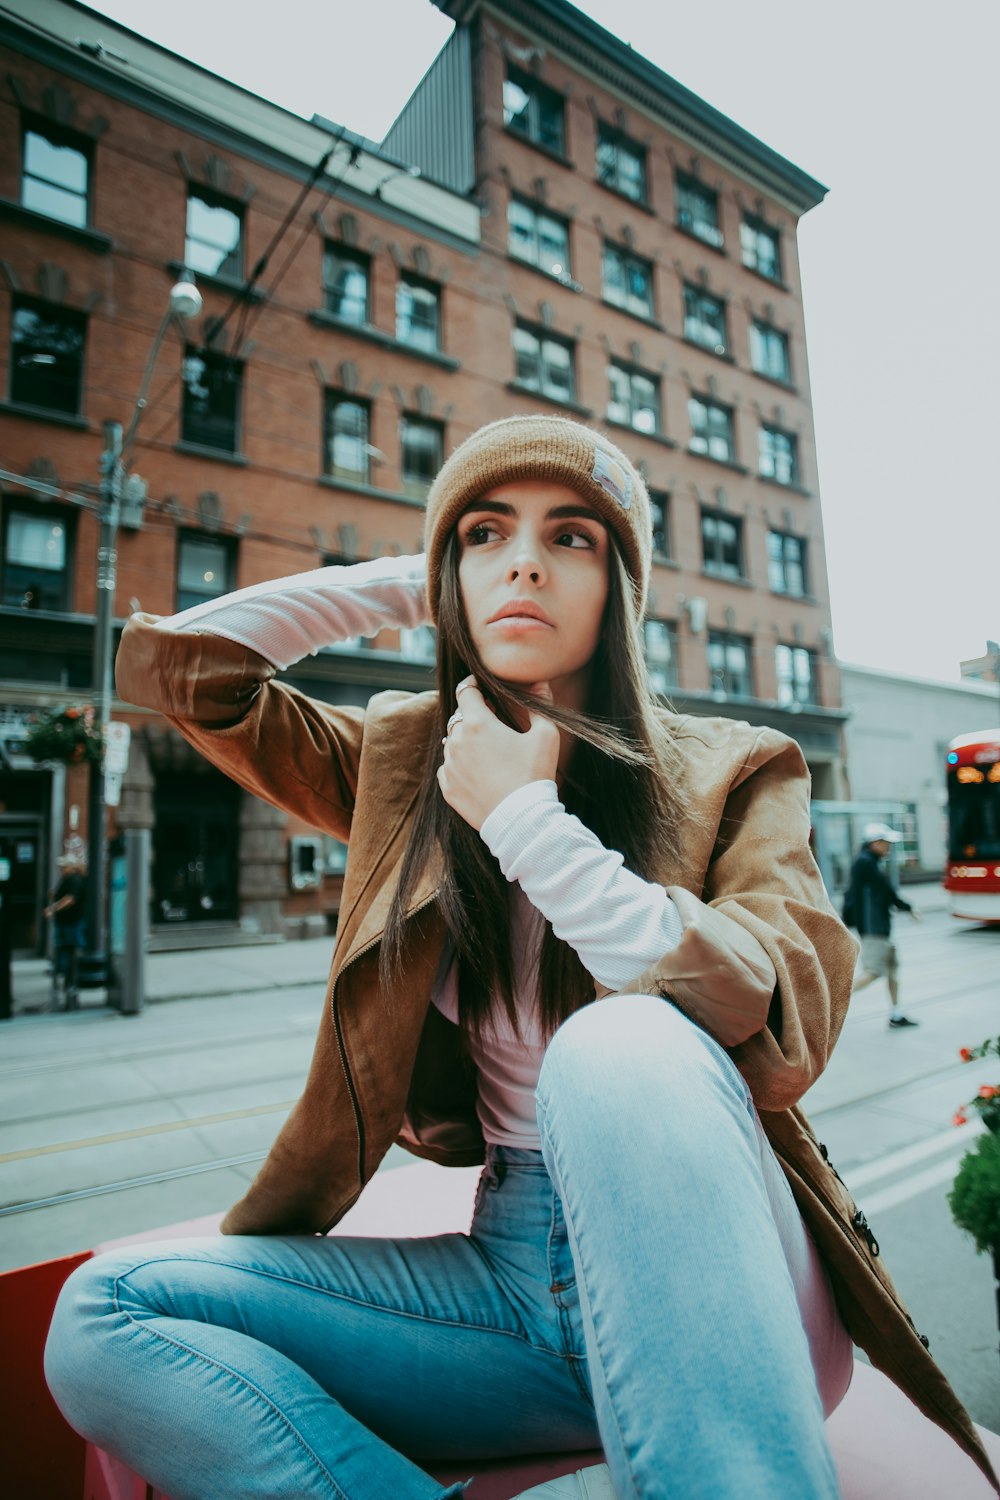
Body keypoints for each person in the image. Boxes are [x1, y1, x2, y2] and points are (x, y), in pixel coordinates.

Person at [44, 417, 995, 1500]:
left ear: (621, 588)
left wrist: (532, 825)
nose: (527, 561)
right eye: (489, 535)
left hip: (725, 1292)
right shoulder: (406, 763)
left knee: (619, 1041)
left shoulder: (739, 769)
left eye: (572, 539)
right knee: (103, 1312)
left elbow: (772, 1022)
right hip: (507, 1287)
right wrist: (430, 574)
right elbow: (191, 675)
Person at [844, 822, 921, 1029]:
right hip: (873, 928)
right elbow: (886, 891)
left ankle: (896, 1015)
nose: (889, 847)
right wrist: (907, 907)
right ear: (875, 842)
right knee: (873, 972)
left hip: (880, 927)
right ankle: (831, 1000)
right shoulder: (865, 863)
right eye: (886, 843)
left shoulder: (870, 861)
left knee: (893, 970)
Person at [43, 853, 87, 1011]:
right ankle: (65, 980)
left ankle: (69, 982)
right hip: (66, 923)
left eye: (63, 866)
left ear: (71, 866)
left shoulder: (74, 879)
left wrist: (52, 908)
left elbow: (71, 899)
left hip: (71, 923)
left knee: (69, 951)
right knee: (64, 950)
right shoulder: (67, 879)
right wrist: (54, 896)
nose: (61, 868)